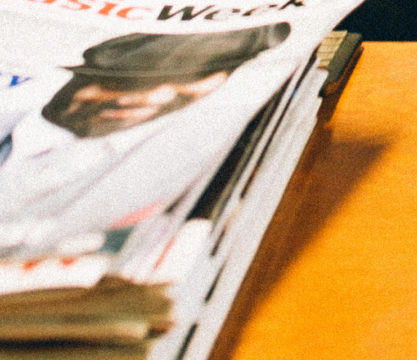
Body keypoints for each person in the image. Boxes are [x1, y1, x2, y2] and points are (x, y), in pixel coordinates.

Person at [0, 26, 290, 250]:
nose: (150, 100)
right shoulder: (12, 107)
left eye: (180, 95)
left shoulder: (177, 166)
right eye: (123, 82)